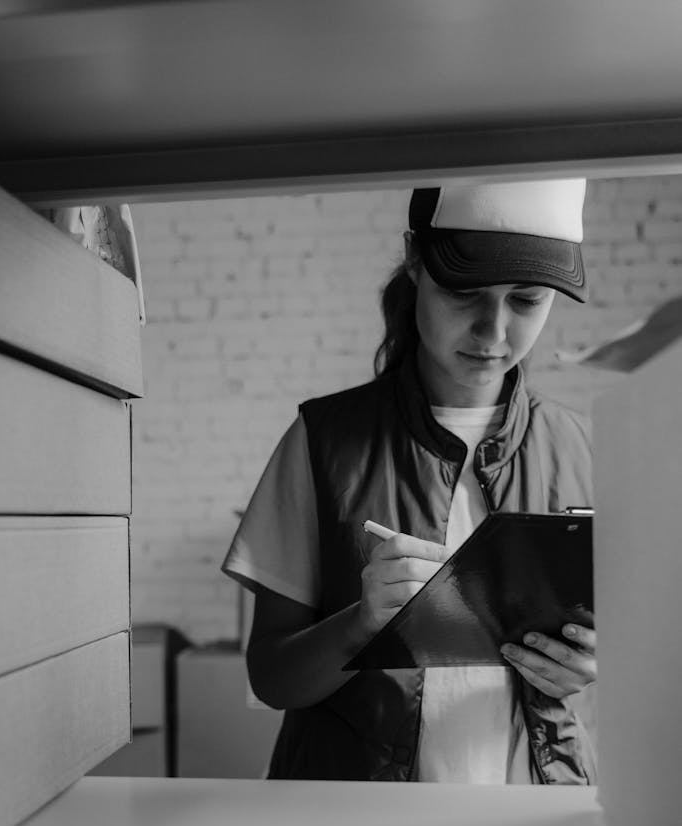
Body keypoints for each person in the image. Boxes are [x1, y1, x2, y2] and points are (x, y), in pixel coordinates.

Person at [222, 179, 597, 785]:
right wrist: (362, 623)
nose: (493, 332)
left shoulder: (585, 449)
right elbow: (271, 678)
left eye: (526, 301)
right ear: (416, 262)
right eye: (465, 293)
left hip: (537, 824)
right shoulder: (323, 441)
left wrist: (587, 667)